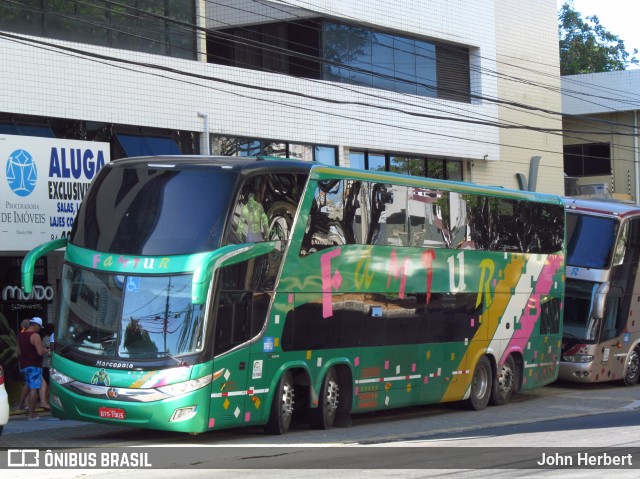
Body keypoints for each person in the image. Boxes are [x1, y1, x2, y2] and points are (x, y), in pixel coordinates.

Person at [18, 317, 50, 420]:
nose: (40, 329)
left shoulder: (20, 335)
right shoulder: (35, 336)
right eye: (40, 327)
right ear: (36, 325)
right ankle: (31, 415)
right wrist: (47, 350)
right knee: (34, 388)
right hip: (34, 365)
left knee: (27, 384)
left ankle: (20, 405)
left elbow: (19, 351)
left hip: (24, 365)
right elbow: (40, 352)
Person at [39, 323, 54, 410]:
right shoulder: (46, 339)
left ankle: (46, 400)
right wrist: (52, 351)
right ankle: (44, 401)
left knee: (48, 384)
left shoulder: (51, 338)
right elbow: (45, 352)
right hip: (46, 364)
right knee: (47, 384)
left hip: (50, 364)